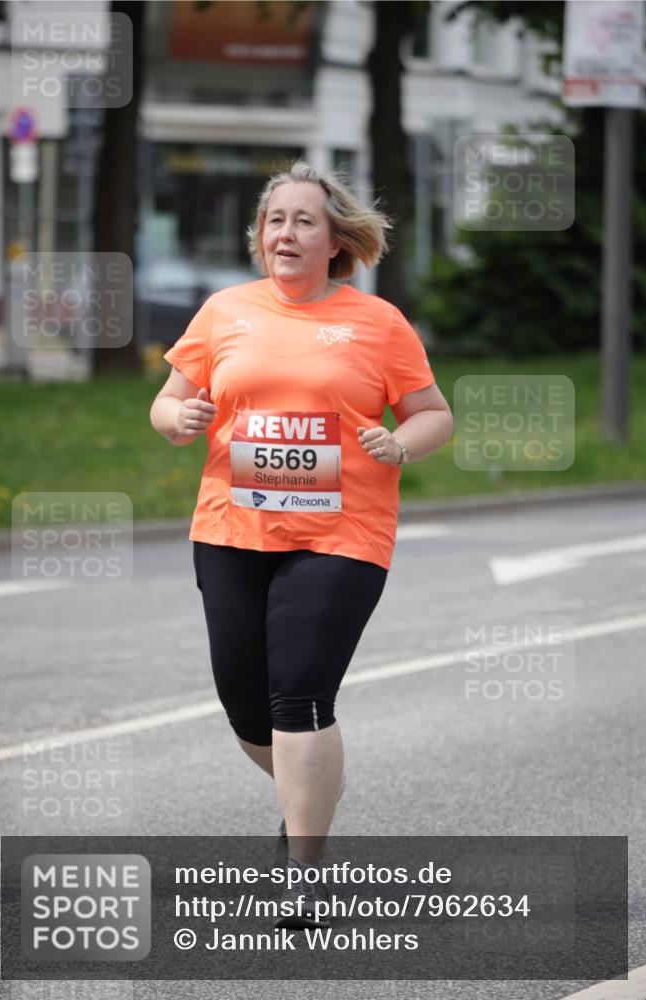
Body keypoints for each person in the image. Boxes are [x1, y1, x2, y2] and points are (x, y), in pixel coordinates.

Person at [149, 160, 453, 928]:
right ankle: (306, 795)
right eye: (274, 220)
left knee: (299, 693)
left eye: (303, 220)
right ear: (260, 236)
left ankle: (303, 871)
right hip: (230, 528)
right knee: (247, 706)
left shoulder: (376, 323)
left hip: (340, 534)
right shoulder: (224, 311)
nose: (286, 232)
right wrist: (174, 420)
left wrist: (400, 444)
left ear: (334, 240)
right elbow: (170, 399)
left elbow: (433, 414)